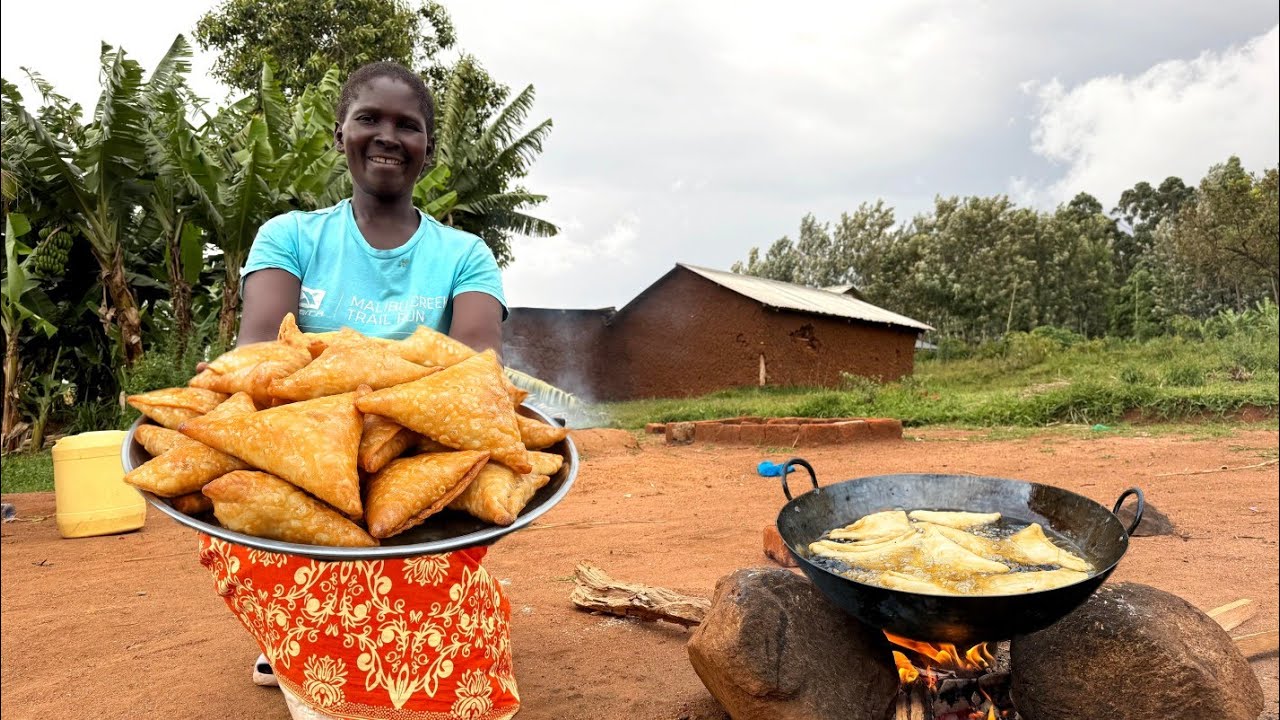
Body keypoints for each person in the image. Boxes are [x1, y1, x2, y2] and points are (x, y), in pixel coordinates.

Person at [200, 61, 520, 720]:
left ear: (428, 147)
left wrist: (381, 401)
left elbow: (475, 367)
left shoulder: (464, 255)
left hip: (411, 454)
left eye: (408, 126)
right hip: (300, 456)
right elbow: (259, 352)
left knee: (419, 641)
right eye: (368, 118)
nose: (387, 137)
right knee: (246, 503)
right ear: (340, 132)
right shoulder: (291, 236)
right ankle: (294, 636)